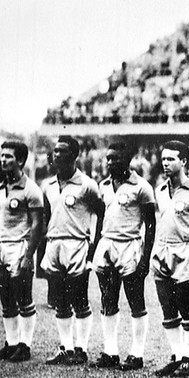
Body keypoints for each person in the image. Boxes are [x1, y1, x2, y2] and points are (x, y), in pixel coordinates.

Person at [38, 136, 105, 365]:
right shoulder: (47, 185)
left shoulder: (86, 184)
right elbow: (46, 215)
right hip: (54, 244)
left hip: (77, 244)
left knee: (80, 299)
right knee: (60, 301)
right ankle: (65, 348)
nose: (56, 155)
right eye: (55, 151)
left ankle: (81, 349)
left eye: (62, 151)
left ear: (74, 155)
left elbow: (101, 212)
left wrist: (93, 246)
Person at [91, 142, 156, 371]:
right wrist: (95, 245)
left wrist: (146, 258)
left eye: (116, 159)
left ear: (127, 160)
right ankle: (111, 352)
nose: (110, 163)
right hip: (107, 244)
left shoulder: (142, 187)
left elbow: (150, 225)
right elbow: (101, 217)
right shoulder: (104, 185)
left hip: (130, 245)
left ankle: (136, 354)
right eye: (108, 159)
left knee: (135, 300)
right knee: (108, 298)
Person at [151, 140, 189, 378]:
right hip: (162, 251)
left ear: (184, 161)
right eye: (164, 158)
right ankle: (177, 357)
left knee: (186, 307)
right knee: (167, 308)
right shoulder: (160, 190)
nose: (165, 163)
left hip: (186, 253)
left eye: (171, 159)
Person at [0, 140, 44, 362]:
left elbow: (39, 225)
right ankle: (10, 344)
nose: (3, 160)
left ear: (20, 160)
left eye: (8, 156)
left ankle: (25, 345)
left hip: (19, 248)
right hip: (1, 248)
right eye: (2, 156)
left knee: (24, 298)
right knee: (6, 300)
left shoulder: (31, 190)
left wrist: (29, 256)